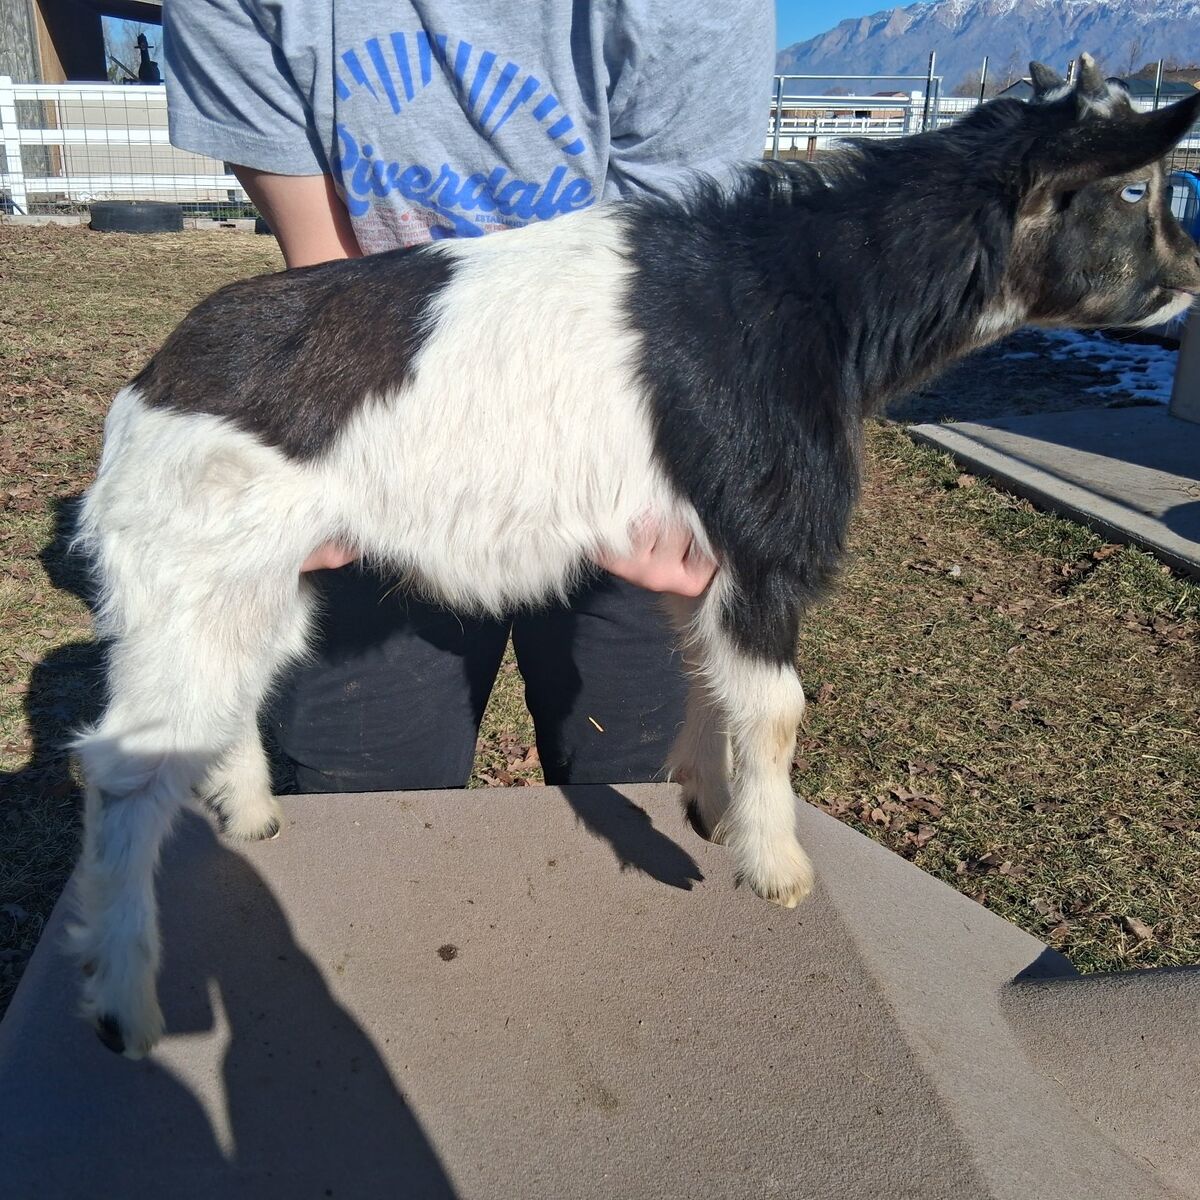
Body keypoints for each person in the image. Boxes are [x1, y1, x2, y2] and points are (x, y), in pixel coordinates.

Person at [162, 1, 775, 792]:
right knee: (367, 802)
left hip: (612, 416)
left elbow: (661, 277)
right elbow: (331, 279)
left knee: (639, 788)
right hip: (397, 414)